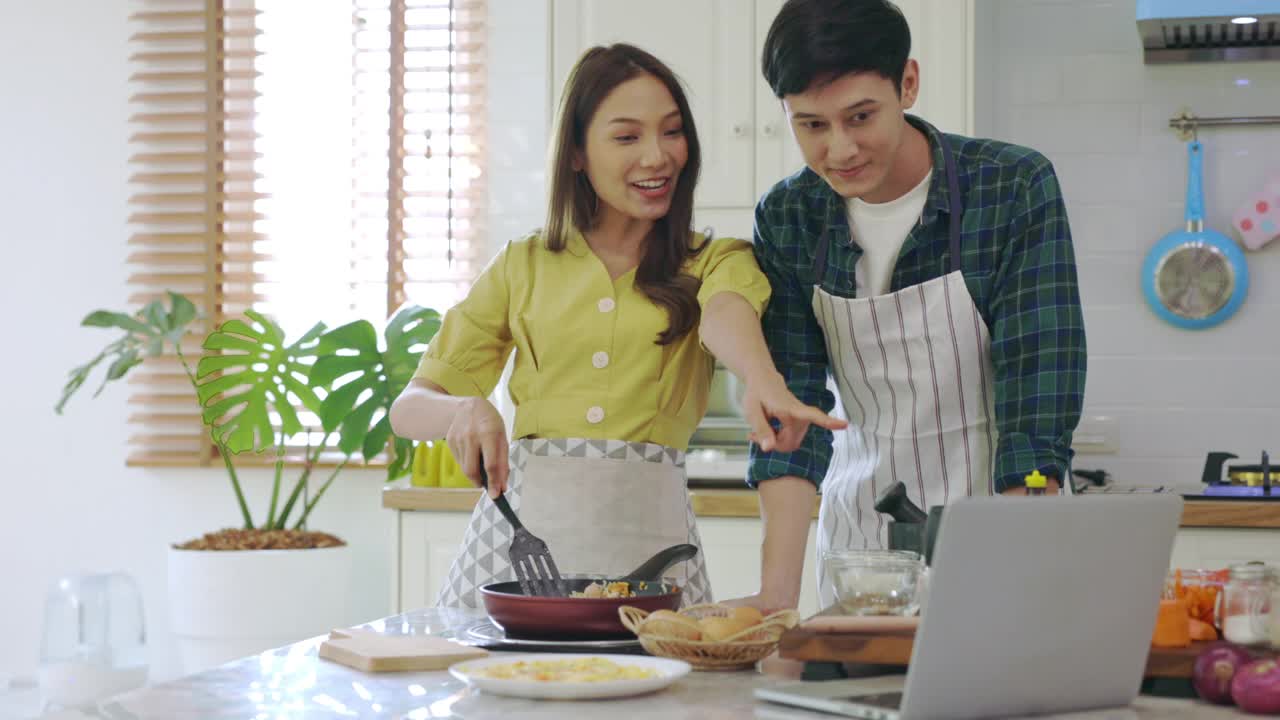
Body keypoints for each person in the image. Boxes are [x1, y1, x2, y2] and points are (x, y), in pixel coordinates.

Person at [389, 43, 845, 609]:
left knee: (661, 692)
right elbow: (409, 407)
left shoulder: (715, 259)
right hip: (513, 553)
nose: (657, 156)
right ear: (577, 153)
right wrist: (462, 409)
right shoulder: (522, 264)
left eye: (672, 132)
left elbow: (727, 314)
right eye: (627, 137)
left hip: (653, 549)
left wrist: (761, 378)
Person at [739, 0, 1087, 611]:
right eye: (811, 125)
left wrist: (1012, 568)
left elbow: (1037, 399)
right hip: (860, 552)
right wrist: (775, 601)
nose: (839, 149)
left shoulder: (1010, 186)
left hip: (999, 524)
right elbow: (793, 415)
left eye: (860, 116)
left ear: (908, 83)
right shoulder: (790, 215)